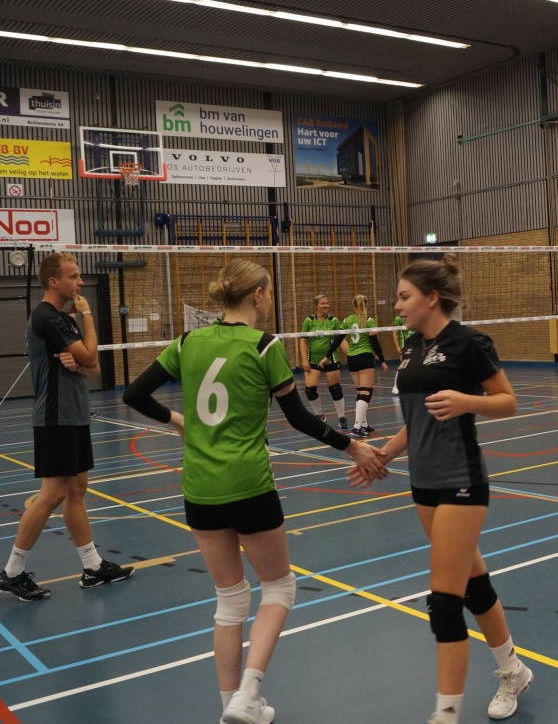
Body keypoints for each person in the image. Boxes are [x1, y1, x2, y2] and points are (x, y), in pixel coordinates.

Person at [122, 259, 386, 724]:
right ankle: (248, 692)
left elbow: (134, 395)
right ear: (258, 295)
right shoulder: (265, 346)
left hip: (198, 488)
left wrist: (177, 419)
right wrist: (352, 446)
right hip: (247, 484)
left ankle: (232, 705)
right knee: (279, 588)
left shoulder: (186, 342)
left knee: (229, 600)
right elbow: (299, 418)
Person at [353, 255, 532, 724]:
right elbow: (416, 421)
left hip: (461, 481)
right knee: (474, 585)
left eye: (404, 297)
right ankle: (513, 670)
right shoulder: (412, 347)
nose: (397, 306)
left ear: (432, 298)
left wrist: (465, 400)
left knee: (444, 603)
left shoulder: (469, 343)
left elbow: (508, 401)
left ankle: (446, 714)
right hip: (423, 483)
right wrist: (382, 455)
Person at [0, 252, 134, 602]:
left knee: (77, 489)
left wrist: (79, 362)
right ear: (54, 282)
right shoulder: (47, 316)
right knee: (53, 493)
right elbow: (90, 355)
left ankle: (93, 566)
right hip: (55, 416)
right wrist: (87, 315)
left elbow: (92, 366)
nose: (80, 282)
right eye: (74, 276)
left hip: (75, 413)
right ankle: (11, 572)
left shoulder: (61, 318)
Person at [328, 294, 388, 436]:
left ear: (354, 306)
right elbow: (375, 343)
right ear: (366, 305)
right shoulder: (369, 320)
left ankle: (364, 424)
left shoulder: (347, 320)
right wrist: (383, 360)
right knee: (366, 392)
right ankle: (356, 427)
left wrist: (326, 356)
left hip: (352, 358)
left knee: (361, 392)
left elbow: (337, 340)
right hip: (365, 357)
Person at [300, 294, 348, 430]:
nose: (326, 305)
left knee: (335, 388)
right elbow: (303, 341)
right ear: (316, 306)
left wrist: (351, 354)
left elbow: (341, 339)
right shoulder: (309, 321)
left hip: (331, 358)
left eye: (327, 303)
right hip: (313, 359)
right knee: (310, 390)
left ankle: (342, 418)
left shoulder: (333, 321)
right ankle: (319, 415)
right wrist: (304, 360)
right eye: (323, 303)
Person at [391, 312, 410, 395]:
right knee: (403, 366)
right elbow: (395, 333)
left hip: (415, 345)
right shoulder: (399, 319)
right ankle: (396, 387)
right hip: (404, 345)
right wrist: (398, 347)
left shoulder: (415, 316)